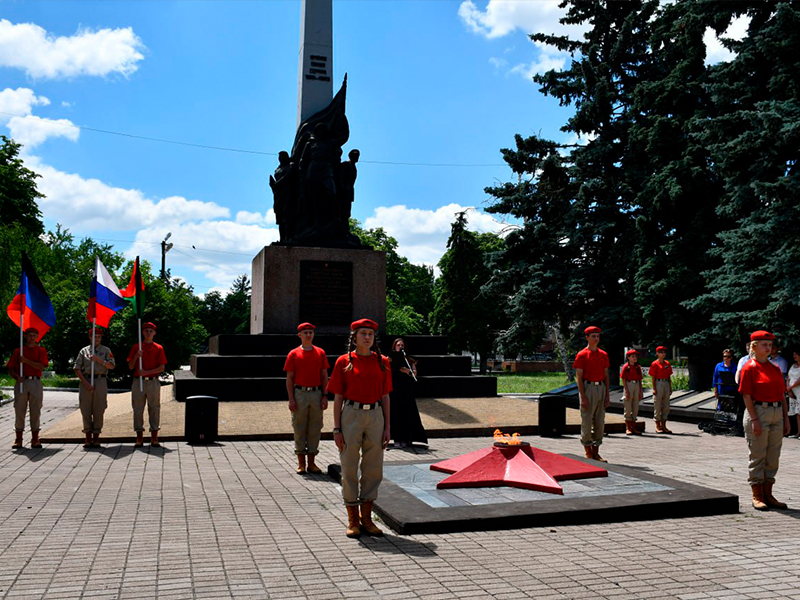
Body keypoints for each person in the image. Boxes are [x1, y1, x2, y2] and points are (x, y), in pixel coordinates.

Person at [328, 319, 392, 538]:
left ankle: (367, 519)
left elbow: (386, 397)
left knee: (373, 468)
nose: (367, 337)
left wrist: (387, 427)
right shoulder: (344, 362)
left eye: (371, 334)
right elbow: (338, 398)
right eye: (363, 333)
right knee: (349, 466)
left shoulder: (383, 362)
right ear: (354, 337)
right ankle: (353, 520)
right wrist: (336, 429)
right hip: (351, 415)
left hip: (375, 415)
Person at [739, 330, 790, 511]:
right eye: (764, 344)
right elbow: (746, 395)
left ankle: (769, 493)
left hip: (776, 412)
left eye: (770, 345)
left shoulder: (774, 368)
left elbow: (782, 396)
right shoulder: (749, 367)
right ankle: (757, 494)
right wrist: (754, 419)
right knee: (758, 456)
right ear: (754, 346)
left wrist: (786, 418)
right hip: (758, 412)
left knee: (773, 457)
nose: (768, 348)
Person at [284, 322, 330, 474]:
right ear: (300, 335)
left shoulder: (320, 353)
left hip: (316, 393)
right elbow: (289, 378)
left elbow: (324, 376)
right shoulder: (293, 354)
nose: (308, 335)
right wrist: (291, 398)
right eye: (305, 333)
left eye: (311, 332)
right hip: (300, 394)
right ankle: (301, 463)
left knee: (315, 428)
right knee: (299, 427)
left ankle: (312, 463)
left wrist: (325, 395)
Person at [6, 327, 48, 449]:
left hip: (35, 382)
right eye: (30, 335)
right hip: (22, 382)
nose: (32, 338)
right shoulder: (18, 351)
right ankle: (18, 438)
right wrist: (16, 377)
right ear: (25, 336)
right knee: (19, 410)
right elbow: (10, 368)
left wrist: (26, 361)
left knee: (35, 410)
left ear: (37, 337)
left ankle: (35, 438)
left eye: (34, 335)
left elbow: (41, 367)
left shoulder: (41, 351)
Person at [126, 322, 167, 447]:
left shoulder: (158, 348)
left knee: (154, 408)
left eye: (151, 331)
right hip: (138, 382)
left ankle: (154, 437)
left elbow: (161, 368)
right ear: (142, 332)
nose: (148, 333)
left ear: (154, 333)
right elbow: (131, 366)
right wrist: (136, 356)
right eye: (146, 331)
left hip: (153, 382)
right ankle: (139, 437)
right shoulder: (136, 347)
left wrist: (147, 372)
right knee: (138, 409)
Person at [573, 326, 610, 462]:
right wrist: (583, 396)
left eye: (598, 336)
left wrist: (607, 395)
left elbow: (606, 376)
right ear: (587, 337)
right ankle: (588, 451)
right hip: (588, 388)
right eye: (593, 336)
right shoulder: (582, 355)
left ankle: (596, 451)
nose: (596, 339)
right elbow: (579, 377)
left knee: (600, 421)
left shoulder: (603, 355)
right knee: (587, 421)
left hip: (600, 388)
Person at [74, 328, 116, 448]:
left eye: (98, 337)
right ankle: (87, 436)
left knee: (99, 408)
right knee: (85, 409)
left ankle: (96, 436)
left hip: (100, 380)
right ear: (90, 337)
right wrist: (85, 383)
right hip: (86, 381)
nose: (96, 339)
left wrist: (99, 360)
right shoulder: (84, 351)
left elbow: (112, 366)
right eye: (94, 336)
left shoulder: (106, 350)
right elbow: (77, 368)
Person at [389, 338, 428, 448]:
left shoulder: (409, 360)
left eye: (402, 345)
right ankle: (397, 438)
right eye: (398, 345)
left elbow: (415, 373)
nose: (400, 347)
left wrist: (409, 372)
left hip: (406, 392)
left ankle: (407, 439)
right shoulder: (390, 360)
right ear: (394, 347)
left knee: (406, 415)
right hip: (395, 391)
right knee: (396, 415)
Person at [713, 348, 743, 436]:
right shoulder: (718, 366)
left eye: (728, 356)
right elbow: (715, 379)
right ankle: (721, 425)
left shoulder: (735, 367)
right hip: (721, 390)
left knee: (732, 408)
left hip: (732, 390)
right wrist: (715, 391)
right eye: (724, 356)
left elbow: (738, 378)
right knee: (721, 408)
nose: (726, 358)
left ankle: (731, 426)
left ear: (731, 357)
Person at [649, 346, 674, 434]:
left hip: (666, 383)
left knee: (666, 405)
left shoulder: (667, 363)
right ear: (657, 354)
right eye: (661, 352)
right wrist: (654, 388)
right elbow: (653, 377)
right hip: (658, 383)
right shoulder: (654, 364)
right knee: (658, 405)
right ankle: (657, 425)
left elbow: (669, 376)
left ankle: (664, 425)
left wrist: (670, 387)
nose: (663, 354)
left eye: (664, 352)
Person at [620, 349, 643, 436]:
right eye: (632, 356)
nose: (635, 358)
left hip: (636, 385)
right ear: (628, 357)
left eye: (635, 356)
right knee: (628, 407)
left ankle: (634, 427)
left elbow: (640, 379)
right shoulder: (626, 367)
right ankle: (628, 428)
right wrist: (626, 391)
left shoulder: (638, 367)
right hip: (629, 385)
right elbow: (623, 379)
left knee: (635, 406)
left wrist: (641, 391)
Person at [786, 350, 800, 439]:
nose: (794, 356)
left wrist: (790, 387)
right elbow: (788, 378)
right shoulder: (793, 366)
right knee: (797, 413)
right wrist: (788, 389)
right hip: (793, 392)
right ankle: (798, 432)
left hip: (799, 391)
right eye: (793, 354)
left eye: (796, 354)